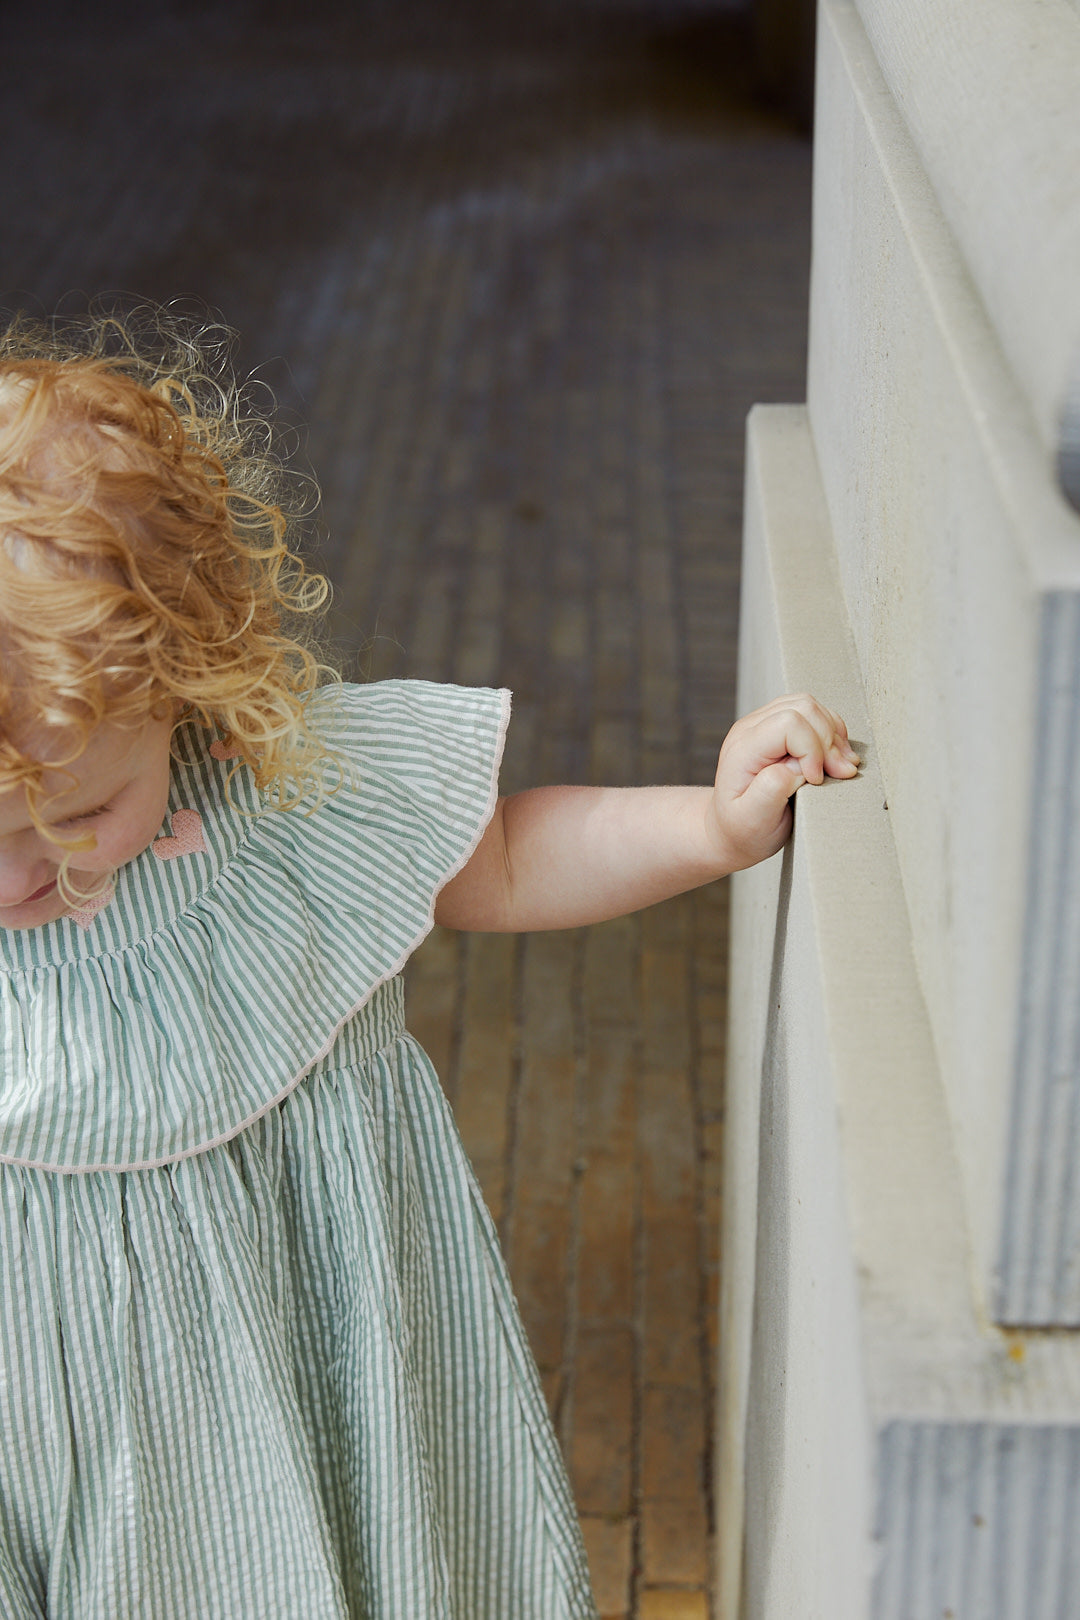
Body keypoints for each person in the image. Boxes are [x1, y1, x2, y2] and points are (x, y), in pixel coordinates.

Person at [0, 310, 858, 1620]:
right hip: (85, 1467)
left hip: (343, 1380)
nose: (19, 880)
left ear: (183, 679)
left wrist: (711, 823)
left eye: (72, 824)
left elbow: (504, 857)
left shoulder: (284, 804)